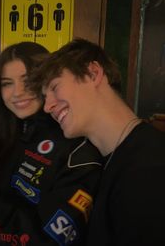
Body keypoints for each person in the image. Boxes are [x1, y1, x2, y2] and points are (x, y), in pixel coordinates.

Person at [0, 41, 102, 245]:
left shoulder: (75, 146)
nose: (17, 92)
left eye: (27, 80)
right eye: (7, 83)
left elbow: (49, 236)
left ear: (48, 82)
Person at [29, 38, 165, 246]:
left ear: (93, 73)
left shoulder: (150, 168)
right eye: (45, 97)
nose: (47, 106)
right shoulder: (106, 160)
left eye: (55, 87)